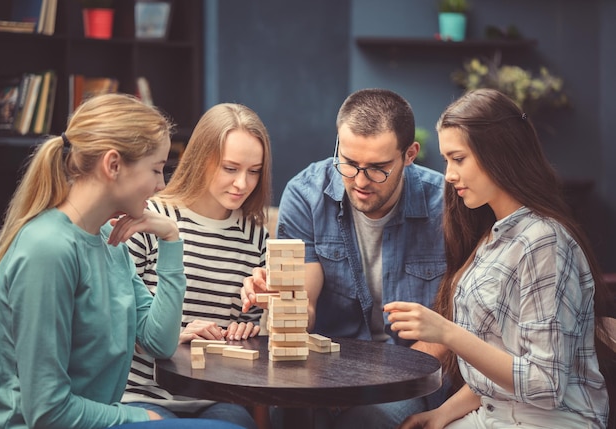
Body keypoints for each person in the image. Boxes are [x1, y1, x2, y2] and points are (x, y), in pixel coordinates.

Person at [385, 88, 612, 429]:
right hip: (493, 416)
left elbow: (545, 384)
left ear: (498, 154)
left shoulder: (543, 242)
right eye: (447, 160)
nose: (448, 174)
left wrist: (446, 332)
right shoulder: (490, 239)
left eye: (458, 159)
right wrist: (441, 415)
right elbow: (501, 369)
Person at [241, 88, 448, 428]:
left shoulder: (445, 205)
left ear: (410, 154)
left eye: (378, 168)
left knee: (365, 421)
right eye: (349, 163)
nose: (360, 181)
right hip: (328, 373)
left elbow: (455, 326)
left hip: (411, 374)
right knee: (287, 415)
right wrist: (281, 301)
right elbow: (304, 308)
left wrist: (371, 385)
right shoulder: (306, 195)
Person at [0, 93, 189, 427]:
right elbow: (47, 411)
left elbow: (159, 342)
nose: (161, 185)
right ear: (113, 165)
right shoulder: (47, 249)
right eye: (156, 170)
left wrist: (171, 238)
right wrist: (137, 416)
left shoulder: (110, 241)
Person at [121, 103, 271, 428]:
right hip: (142, 395)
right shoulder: (150, 219)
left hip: (217, 398)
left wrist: (247, 331)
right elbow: (116, 322)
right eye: (230, 168)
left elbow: (248, 331)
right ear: (201, 158)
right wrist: (172, 334)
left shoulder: (255, 235)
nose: (242, 184)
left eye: (254, 171)